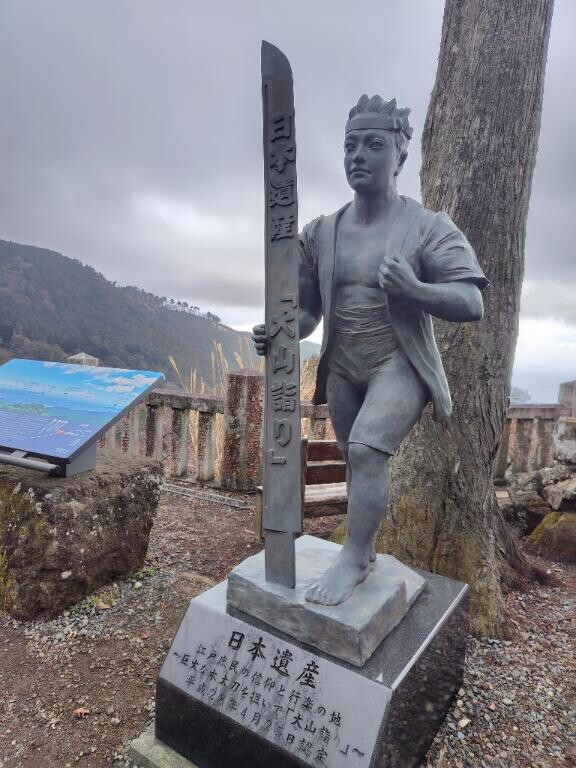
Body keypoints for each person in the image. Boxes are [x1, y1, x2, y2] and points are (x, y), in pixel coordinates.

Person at [253, 94, 488, 606]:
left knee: (365, 450)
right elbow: (307, 313)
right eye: (350, 146)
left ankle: (355, 558)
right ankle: (366, 549)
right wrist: (278, 333)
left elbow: (471, 301)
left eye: (373, 145)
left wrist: (416, 290)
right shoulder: (322, 233)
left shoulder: (427, 227)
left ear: (399, 156)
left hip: (397, 361)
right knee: (355, 457)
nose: (358, 155)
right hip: (342, 363)